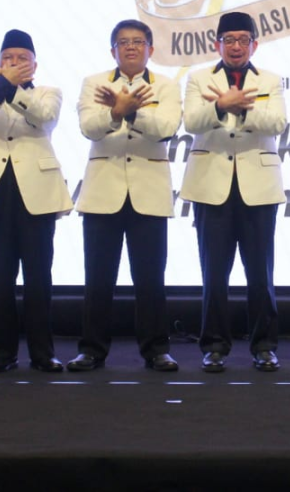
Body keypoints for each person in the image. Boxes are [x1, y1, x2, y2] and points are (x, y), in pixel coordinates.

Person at [69, 20, 182, 373]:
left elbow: (165, 130)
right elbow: (89, 128)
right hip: (104, 191)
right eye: (122, 42)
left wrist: (130, 111)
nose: (130, 48)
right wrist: (113, 112)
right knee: (98, 278)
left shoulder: (165, 84)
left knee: (150, 278)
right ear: (113, 51)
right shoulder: (94, 83)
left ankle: (156, 349)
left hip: (148, 191)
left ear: (151, 48)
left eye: (137, 42)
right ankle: (91, 350)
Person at [180, 11, 287, 373]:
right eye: (229, 40)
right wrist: (218, 105)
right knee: (214, 275)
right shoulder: (198, 78)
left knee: (261, 275)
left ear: (255, 44)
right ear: (217, 44)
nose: (236, 46)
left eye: (243, 40)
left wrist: (243, 106)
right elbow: (191, 122)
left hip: (258, 188)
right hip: (211, 187)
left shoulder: (270, 79)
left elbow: (277, 124)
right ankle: (214, 346)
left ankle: (265, 346)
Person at [0, 29, 72, 374]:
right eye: (7, 59)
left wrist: (11, 89)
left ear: (34, 64)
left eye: (21, 59)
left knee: (39, 277)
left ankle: (43, 353)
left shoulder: (48, 92)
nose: (14, 64)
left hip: (36, 192)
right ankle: (4, 353)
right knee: (0, 276)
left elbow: (44, 119)